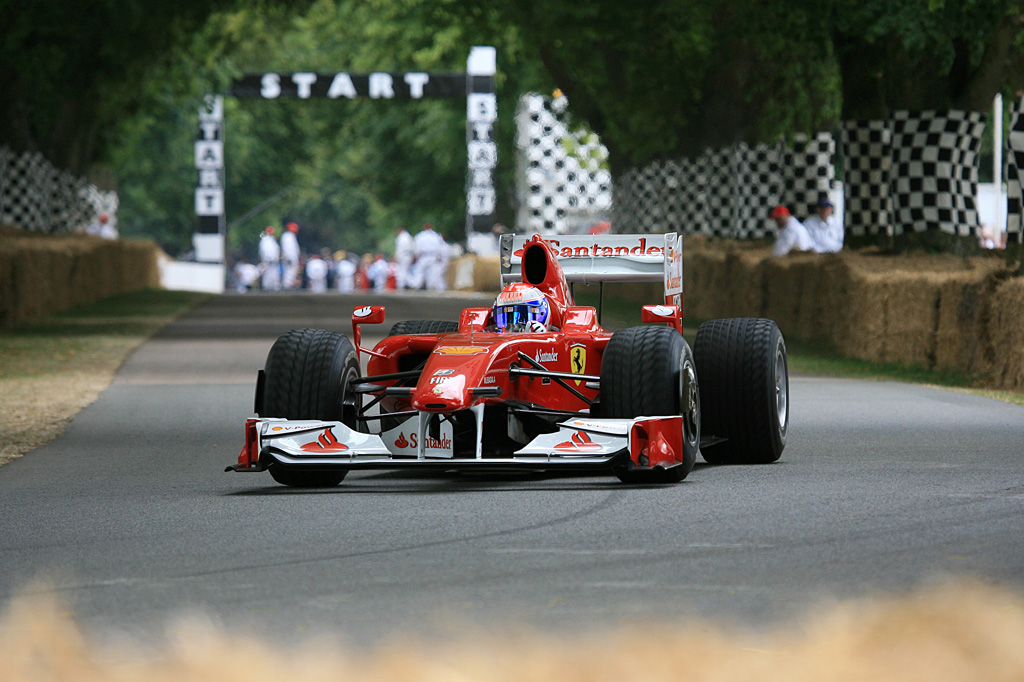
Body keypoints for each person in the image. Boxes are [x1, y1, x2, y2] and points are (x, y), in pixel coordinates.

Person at [414, 223, 450, 291]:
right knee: (432, 272)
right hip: (433, 256)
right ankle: (430, 286)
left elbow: (417, 247)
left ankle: (418, 285)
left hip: (424, 256)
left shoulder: (420, 236)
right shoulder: (436, 236)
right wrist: (439, 256)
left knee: (420, 271)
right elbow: (439, 247)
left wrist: (416, 255)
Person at [258, 226, 281, 291]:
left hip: (274, 262)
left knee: (275, 277)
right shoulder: (264, 240)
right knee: (267, 276)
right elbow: (264, 251)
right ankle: (266, 290)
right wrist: (267, 259)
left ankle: (275, 290)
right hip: (267, 261)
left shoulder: (272, 240)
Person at [280, 222, 301, 290]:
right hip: (290, 258)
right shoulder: (287, 236)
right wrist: (288, 257)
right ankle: (286, 287)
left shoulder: (291, 236)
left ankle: (288, 286)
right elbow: (287, 248)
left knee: (292, 273)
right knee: (289, 273)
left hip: (293, 258)